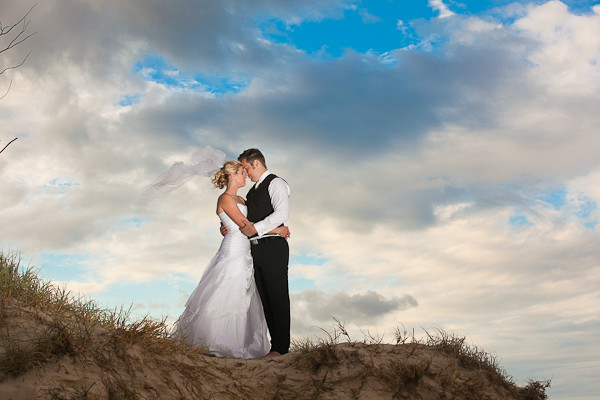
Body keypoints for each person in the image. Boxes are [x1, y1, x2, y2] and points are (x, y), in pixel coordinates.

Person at [171, 160, 289, 358]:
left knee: (242, 297)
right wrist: (277, 229)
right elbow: (245, 225)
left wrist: (224, 227)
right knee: (226, 290)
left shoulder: (243, 199)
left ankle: (237, 341)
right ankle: (216, 340)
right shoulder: (225, 198)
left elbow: (243, 223)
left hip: (246, 249)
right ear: (232, 176)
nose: (246, 175)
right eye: (243, 172)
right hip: (234, 249)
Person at [237, 148, 291, 358]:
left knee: (277, 296)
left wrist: (255, 229)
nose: (246, 173)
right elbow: (247, 219)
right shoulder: (252, 191)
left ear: (256, 164)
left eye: (246, 168)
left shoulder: (276, 183)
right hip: (256, 248)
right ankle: (274, 347)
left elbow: (282, 213)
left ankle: (281, 348)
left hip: (273, 247)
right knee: (265, 299)